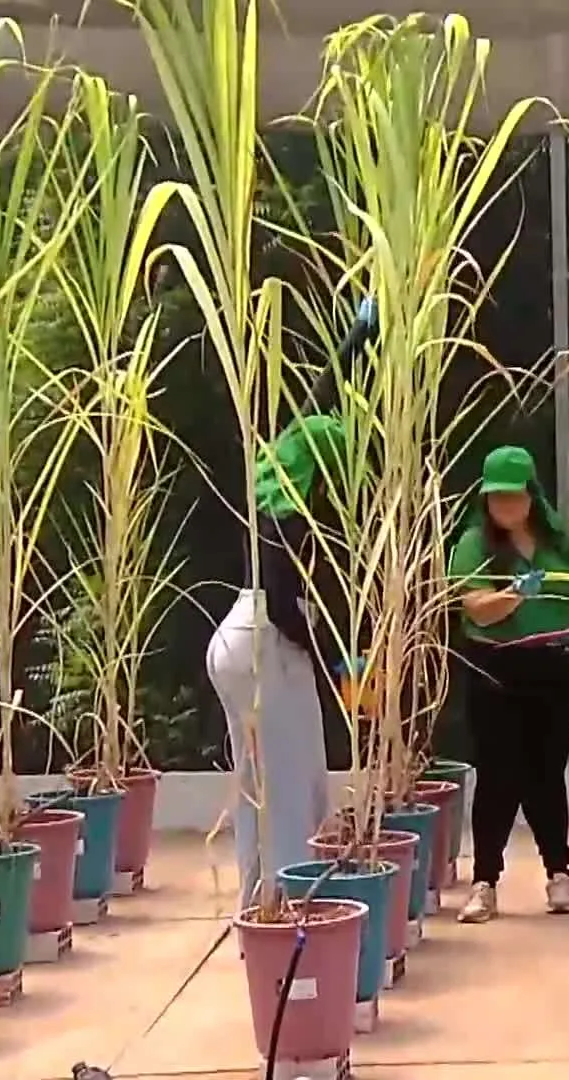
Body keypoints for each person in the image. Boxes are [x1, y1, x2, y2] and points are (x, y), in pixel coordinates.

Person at [205, 296, 376, 907]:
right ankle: (291, 912)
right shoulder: (289, 519)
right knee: (290, 789)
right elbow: (284, 603)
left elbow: (318, 401)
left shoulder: (279, 467)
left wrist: (356, 338)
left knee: (259, 784)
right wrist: (334, 663)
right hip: (265, 648)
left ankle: (259, 903)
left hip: (239, 640)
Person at [449, 445, 569, 923]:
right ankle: (485, 883)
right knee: (497, 773)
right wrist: (516, 595)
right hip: (495, 667)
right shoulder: (474, 543)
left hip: (554, 666)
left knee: (545, 773)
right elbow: (475, 606)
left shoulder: (560, 541)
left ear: (532, 495)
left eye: (514, 497)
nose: (506, 507)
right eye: (497, 498)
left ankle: (559, 875)